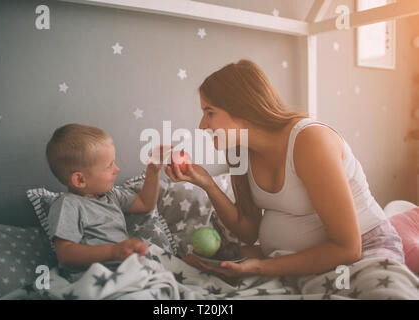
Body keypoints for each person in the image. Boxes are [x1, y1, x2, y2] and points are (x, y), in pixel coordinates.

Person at [165, 59, 405, 278]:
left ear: (242, 110)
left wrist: (260, 266)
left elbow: (348, 248)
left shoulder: (309, 141)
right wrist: (208, 184)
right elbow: (248, 232)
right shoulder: (241, 151)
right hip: (297, 260)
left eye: (209, 112)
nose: (202, 125)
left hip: (367, 248)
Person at [46, 123, 169, 280]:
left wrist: (153, 171)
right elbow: (65, 253)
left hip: (127, 271)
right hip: (95, 277)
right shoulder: (68, 204)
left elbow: (145, 204)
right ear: (80, 179)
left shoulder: (111, 195)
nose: (117, 169)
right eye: (109, 166)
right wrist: (113, 251)